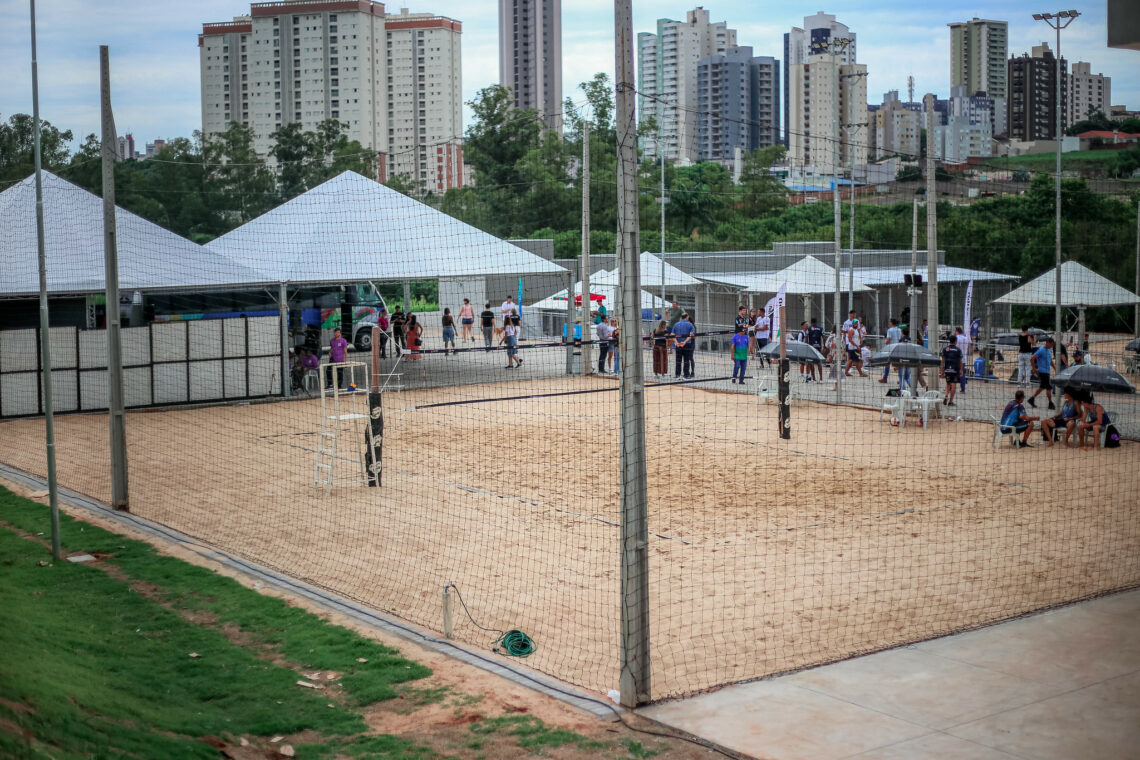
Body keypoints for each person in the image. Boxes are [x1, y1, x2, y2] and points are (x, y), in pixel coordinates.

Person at [1027, 338, 1055, 410]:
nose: (1052, 346)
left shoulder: (1049, 350)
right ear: (1048, 343)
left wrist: (1055, 368)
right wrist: (1034, 368)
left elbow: (1050, 360)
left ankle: (1031, 399)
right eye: (1052, 344)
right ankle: (1050, 403)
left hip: (1047, 372)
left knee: (1042, 387)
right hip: (1042, 372)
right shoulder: (1041, 350)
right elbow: (1032, 358)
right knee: (1049, 387)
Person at [940, 335, 963, 406]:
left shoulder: (945, 349)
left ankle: (946, 395)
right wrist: (961, 370)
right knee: (953, 385)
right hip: (955, 370)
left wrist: (942, 371)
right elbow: (960, 361)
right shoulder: (958, 350)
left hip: (947, 369)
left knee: (948, 384)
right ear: (956, 341)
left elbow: (942, 361)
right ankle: (950, 402)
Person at [672, 312, 695, 379]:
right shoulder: (690, 324)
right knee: (686, 361)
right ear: (687, 317)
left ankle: (677, 375)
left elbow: (672, 334)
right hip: (687, 344)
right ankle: (686, 376)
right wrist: (684, 342)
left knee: (678, 361)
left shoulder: (676, 324)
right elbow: (691, 335)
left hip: (678, 345)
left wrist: (676, 343)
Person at [879, 318, 902, 383]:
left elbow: (888, 339)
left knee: (887, 363)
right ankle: (901, 379)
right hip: (898, 348)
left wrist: (886, 343)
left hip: (891, 348)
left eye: (890, 322)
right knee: (898, 364)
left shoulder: (890, 330)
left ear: (891, 323)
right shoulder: (900, 330)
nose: (889, 323)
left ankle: (885, 378)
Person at [805, 318, 824, 382]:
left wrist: (807, 345)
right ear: (816, 322)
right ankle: (821, 379)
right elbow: (824, 337)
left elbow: (806, 338)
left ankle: (814, 379)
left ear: (811, 322)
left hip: (811, 347)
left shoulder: (808, 329)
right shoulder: (821, 329)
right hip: (818, 347)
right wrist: (824, 347)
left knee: (811, 363)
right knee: (819, 363)